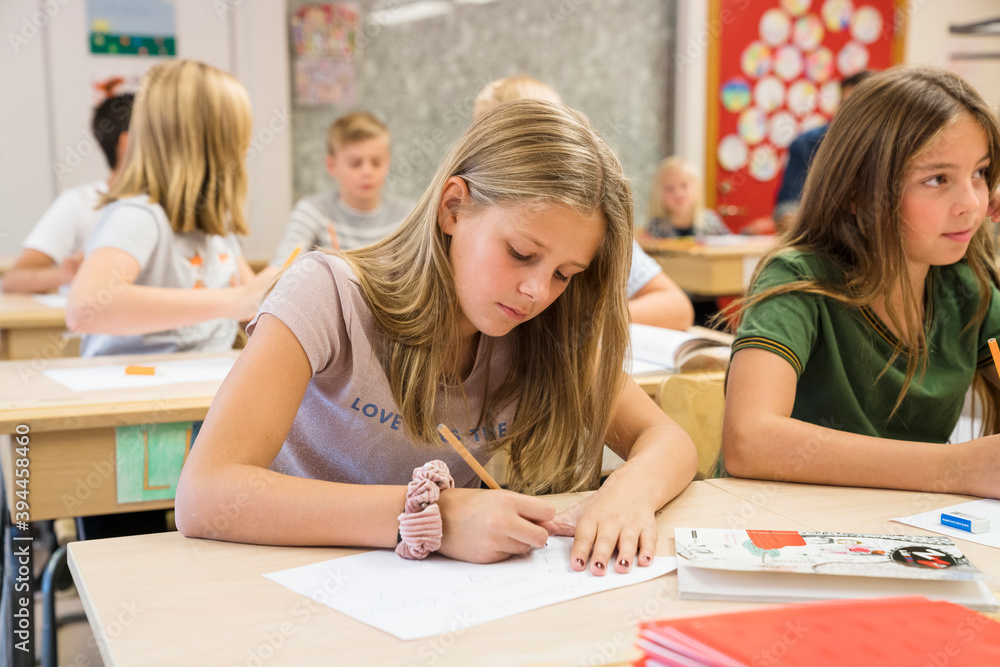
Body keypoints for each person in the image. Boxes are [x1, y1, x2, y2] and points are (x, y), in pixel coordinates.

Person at [175, 99, 698, 575]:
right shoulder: (327, 292)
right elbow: (206, 493)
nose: (537, 290)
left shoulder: (540, 331)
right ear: (453, 208)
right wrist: (431, 517)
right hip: (277, 581)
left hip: (427, 597)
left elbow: (668, 441)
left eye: (565, 273)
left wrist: (628, 491)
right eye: (520, 252)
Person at [723, 66, 1000, 498]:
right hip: (778, 525)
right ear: (858, 194)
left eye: (980, 173)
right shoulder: (799, 277)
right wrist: (955, 468)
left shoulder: (968, 287)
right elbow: (750, 441)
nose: (971, 203)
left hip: (903, 533)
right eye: (937, 179)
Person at [474, 75, 694, 330]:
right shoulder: (475, 212)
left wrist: (580, 325)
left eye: (563, 274)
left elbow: (675, 308)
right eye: (520, 253)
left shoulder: (587, 225)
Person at [2, 94, 133, 294]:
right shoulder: (81, 202)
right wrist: (69, 273)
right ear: (128, 143)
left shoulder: (175, 204)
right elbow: (12, 281)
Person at [270, 112, 414, 265]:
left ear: (388, 162)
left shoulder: (408, 215)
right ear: (332, 165)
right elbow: (282, 269)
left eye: (376, 163)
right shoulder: (313, 211)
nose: (367, 172)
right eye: (355, 163)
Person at [772, 70, 873, 228]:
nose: (850, 114)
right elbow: (787, 209)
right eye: (844, 103)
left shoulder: (891, 146)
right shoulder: (807, 144)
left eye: (862, 108)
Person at [640, 157, 729, 240]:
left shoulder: (712, 223)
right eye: (669, 189)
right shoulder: (655, 227)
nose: (678, 194)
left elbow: (731, 247)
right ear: (659, 194)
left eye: (684, 186)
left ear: (697, 189)